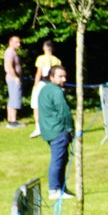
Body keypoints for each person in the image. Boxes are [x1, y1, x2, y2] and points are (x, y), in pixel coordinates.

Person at [35, 63, 73, 198]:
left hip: (49, 130)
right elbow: (64, 112)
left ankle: (61, 188)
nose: (64, 79)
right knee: (58, 160)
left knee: (62, 159)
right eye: (60, 76)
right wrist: (70, 129)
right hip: (58, 130)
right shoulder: (56, 91)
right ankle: (54, 189)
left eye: (65, 76)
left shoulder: (45, 89)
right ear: (51, 77)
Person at [28, 40, 58, 136]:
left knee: (36, 105)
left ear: (44, 48)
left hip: (42, 82)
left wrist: (35, 85)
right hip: (52, 84)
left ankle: (38, 127)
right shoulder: (56, 60)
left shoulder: (41, 59)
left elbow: (39, 73)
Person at [0, 35, 22, 127]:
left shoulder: (12, 52)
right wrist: (15, 77)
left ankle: (11, 120)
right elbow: (8, 66)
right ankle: (13, 121)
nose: (19, 44)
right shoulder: (10, 52)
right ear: (10, 42)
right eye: (16, 42)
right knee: (14, 99)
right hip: (13, 79)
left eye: (19, 42)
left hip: (12, 78)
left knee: (12, 99)